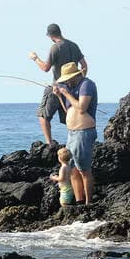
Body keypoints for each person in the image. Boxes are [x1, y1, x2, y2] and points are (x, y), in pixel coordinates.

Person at [29, 23, 87, 146]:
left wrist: (35, 58)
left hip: (57, 87)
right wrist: (79, 83)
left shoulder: (55, 48)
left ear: (50, 36)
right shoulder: (73, 45)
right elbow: (84, 66)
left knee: (43, 116)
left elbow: (45, 68)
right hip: (72, 89)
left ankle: (49, 144)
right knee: (70, 117)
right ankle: (75, 142)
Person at [52, 62, 98, 205]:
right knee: (72, 168)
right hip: (72, 132)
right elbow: (69, 110)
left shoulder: (86, 84)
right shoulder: (68, 87)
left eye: (67, 78)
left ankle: (88, 202)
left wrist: (66, 93)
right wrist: (60, 96)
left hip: (83, 131)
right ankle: (79, 201)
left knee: (83, 168)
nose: (65, 82)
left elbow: (81, 108)